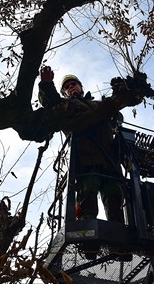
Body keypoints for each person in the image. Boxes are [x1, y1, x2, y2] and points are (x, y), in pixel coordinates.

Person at [38, 66, 125, 224]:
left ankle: (120, 247)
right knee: (87, 211)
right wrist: (46, 85)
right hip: (86, 165)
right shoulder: (66, 107)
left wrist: (121, 93)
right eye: (67, 87)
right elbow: (50, 101)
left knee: (115, 208)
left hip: (110, 165)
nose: (71, 88)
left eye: (74, 84)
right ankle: (89, 247)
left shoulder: (99, 105)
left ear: (81, 87)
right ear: (64, 93)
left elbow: (117, 116)